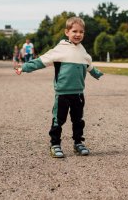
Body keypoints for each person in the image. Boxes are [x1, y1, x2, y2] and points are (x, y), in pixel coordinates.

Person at [15, 17, 104, 158]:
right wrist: (24, 67)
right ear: (67, 32)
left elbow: (89, 64)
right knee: (58, 119)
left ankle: (78, 143)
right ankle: (55, 144)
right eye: (74, 31)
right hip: (63, 93)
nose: (78, 34)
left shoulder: (82, 51)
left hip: (78, 93)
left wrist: (96, 73)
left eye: (81, 32)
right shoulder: (60, 49)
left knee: (78, 120)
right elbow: (41, 61)